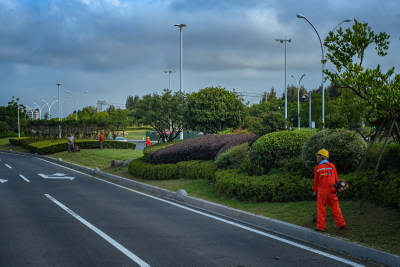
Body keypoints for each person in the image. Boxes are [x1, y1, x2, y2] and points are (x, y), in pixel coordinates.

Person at [313, 149, 346, 232]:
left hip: (322, 193)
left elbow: (316, 182)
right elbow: (336, 179)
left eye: (317, 157)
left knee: (321, 210)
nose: (316, 158)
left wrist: (314, 191)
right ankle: (342, 226)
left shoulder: (317, 168)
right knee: (336, 209)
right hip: (332, 191)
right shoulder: (332, 166)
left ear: (322, 157)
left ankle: (320, 227)